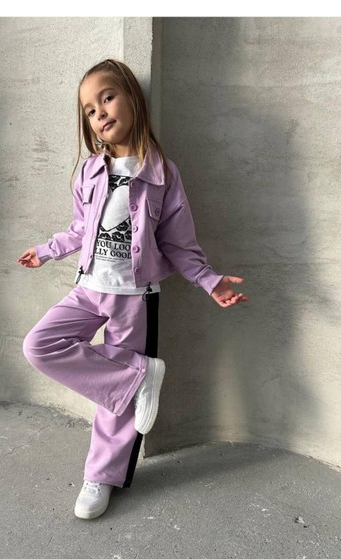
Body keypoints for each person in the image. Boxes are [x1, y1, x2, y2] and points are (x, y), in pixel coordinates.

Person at [17, 59, 249, 520]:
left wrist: (209, 281)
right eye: (89, 110)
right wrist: (46, 251)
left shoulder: (162, 173)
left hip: (135, 297)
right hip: (89, 287)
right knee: (40, 345)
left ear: (132, 100)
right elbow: (80, 229)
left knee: (116, 400)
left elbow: (178, 244)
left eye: (107, 98)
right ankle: (140, 374)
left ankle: (100, 475)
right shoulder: (89, 171)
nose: (99, 113)